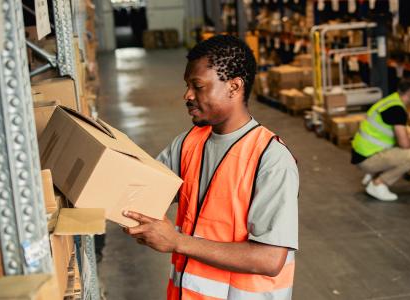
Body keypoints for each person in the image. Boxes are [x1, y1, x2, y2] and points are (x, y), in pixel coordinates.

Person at [123, 35, 299, 300]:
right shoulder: (187, 144)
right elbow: (143, 192)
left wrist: (176, 241)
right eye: (187, 85)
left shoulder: (270, 158)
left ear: (234, 87)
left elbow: (270, 258)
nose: (187, 95)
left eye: (198, 86)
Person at [351, 77, 410, 201]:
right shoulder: (397, 110)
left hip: (361, 153)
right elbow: (405, 144)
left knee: (400, 148)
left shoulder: (390, 101)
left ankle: (373, 174)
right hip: (367, 159)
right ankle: (378, 183)